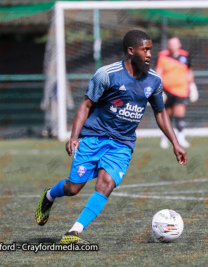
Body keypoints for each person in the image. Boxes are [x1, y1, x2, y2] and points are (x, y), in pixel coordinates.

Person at [35, 30, 188, 245]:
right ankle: (49, 195)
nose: (149, 54)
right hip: (93, 138)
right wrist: (73, 137)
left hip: (122, 144)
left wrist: (175, 143)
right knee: (73, 188)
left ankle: (74, 232)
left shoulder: (153, 80)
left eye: (150, 49)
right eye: (145, 49)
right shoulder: (107, 74)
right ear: (131, 50)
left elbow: (160, 112)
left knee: (106, 184)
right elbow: (86, 105)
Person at [155, 37, 195, 149]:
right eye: (170, 44)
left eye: (174, 44)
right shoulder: (163, 56)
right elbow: (158, 73)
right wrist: (158, 89)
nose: (172, 46)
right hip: (166, 90)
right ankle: (165, 138)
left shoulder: (185, 55)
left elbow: (189, 71)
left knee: (180, 113)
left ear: (179, 44)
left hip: (181, 90)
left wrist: (192, 85)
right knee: (167, 114)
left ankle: (181, 137)